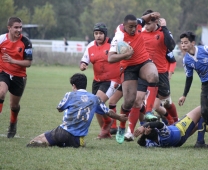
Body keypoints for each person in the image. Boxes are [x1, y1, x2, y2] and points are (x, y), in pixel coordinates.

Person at [26, 73, 127, 148]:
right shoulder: (95, 98)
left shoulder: (70, 94)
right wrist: (119, 117)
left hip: (63, 132)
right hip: (78, 139)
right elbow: (108, 112)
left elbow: (59, 108)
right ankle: (69, 143)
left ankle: (50, 142)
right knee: (69, 143)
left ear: (74, 86)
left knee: (36, 141)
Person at [108, 13, 160, 144]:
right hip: (128, 68)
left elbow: (145, 19)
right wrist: (125, 55)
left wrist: (152, 15)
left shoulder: (137, 24)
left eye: (135, 26)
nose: (133, 29)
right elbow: (110, 58)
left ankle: (148, 111)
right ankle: (121, 127)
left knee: (153, 76)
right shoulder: (119, 36)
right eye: (130, 27)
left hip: (143, 62)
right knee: (129, 102)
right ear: (124, 26)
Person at [178, 31, 208, 147]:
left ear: (192, 43)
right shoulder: (186, 60)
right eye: (181, 43)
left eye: (186, 43)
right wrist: (184, 95)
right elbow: (189, 78)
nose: (183, 45)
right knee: (203, 111)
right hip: (205, 84)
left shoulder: (205, 49)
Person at [80, 23, 122, 139]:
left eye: (101, 33)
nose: (98, 36)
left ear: (105, 34)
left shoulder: (113, 44)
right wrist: (83, 65)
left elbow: (125, 55)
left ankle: (108, 122)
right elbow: (84, 61)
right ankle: (105, 133)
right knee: (96, 106)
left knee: (97, 102)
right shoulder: (90, 46)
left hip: (112, 80)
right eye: (96, 33)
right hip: (97, 81)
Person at [134, 106, 208, 148]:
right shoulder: (163, 135)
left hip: (179, 139)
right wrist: (145, 126)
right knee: (202, 109)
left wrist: (144, 135)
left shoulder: (152, 143)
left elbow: (141, 143)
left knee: (199, 124)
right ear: (154, 132)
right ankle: (202, 141)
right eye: (150, 129)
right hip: (180, 129)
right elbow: (159, 124)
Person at [0, 17, 33, 138]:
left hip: (19, 76)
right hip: (3, 72)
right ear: (9, 28)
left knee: (14, 106)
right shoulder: (1, 39)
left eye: (20, 27)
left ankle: (13, 123)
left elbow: (28, 63)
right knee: (1, 92)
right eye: (16, 27)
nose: (19, 30)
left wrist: (12, 60)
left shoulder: (26, 42)